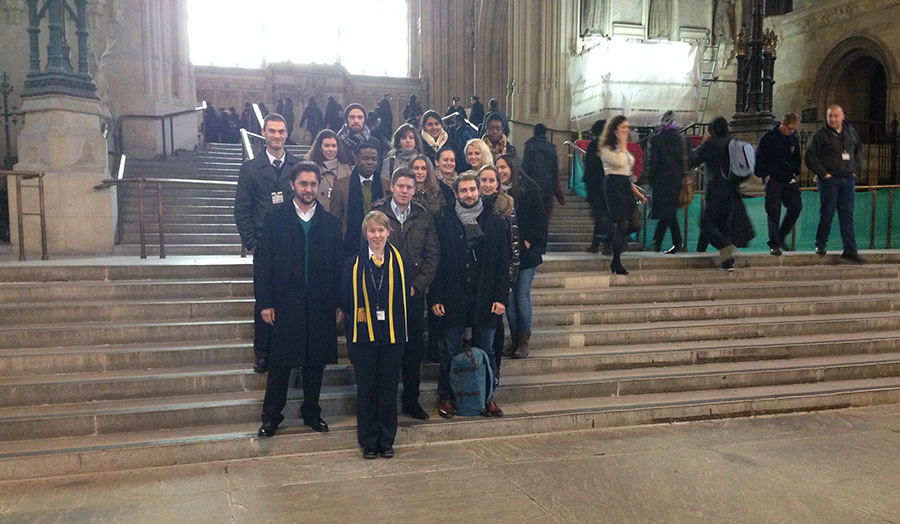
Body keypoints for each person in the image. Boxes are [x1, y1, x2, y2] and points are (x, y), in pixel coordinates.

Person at [254, 161, 343, 438]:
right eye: (303, 183)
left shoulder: (330, 224)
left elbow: (338, 268)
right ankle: (271, 416)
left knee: (315, 362)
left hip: (319, 303)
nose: (308, 189)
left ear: (319, 186)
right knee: (280, 363)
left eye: (313, 184)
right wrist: (265, 302)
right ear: (292, 185)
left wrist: (340, 303)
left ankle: (311, 411)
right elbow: (263, 263)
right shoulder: (275, 219)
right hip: (284, 302)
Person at [430, 172, 510, 419]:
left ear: (479, 191)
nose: (468, 194)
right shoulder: (444, 221)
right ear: (455, 193)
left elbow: (502, 263)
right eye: (463, 190)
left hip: (486, 297)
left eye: (472, 189)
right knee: (450, 349)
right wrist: (436, 297)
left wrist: (501, 298)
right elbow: (437, 263)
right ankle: (447, 397)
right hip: (454, 296)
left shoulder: (495, 221)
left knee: (488, 350)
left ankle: (488, 397)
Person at [234, 113, 302, 374]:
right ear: (263, 133)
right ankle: (263, 353)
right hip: (264, 245)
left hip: (294, 245)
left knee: (292, 299)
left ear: (287, 133)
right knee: (264, 300)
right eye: (272, 131)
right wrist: (252, 243)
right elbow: (242, 209)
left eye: (281, 131)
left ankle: (291, 350)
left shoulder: (297, 165)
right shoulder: (251, 168)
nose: (277, 135)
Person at [372, 170, 440, 422]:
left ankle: (412, 401)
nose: (404, 190)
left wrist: (416, 286)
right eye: (400, 185)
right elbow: (367, 249)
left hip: (411, 295)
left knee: (412, 350)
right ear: (391, 186)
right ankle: (382, 401)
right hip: (381, 295)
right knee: (385, 349)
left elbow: (432, 256)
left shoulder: (424, 216)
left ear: (414, 189)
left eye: (409, 187)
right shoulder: (378, 214)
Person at [341, 211, 409, 459]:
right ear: (365, 234)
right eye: (372, 231)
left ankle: (387, 439)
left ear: (389, 232)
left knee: (388, 388)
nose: (377, 235)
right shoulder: (353, 263)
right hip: (363, 334)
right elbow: (346, 298)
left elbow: (404, 301)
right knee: (367, 388)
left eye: (381, 230)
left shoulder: (401, 262)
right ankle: (368, 440)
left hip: (393, 335)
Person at [497, 153, 546, 359]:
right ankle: (514, 338)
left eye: (503, 167)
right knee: (508, 297)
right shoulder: (497, 191)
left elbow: (540, 220)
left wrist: (527, 242)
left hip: (526, 254)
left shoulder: (529, 187)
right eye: (497, 168)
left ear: (512, 167)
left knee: (522, 296)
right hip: (506, 254)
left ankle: (523, 342)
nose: (500, 171)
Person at [689, 116, 753, 270]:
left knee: (706, 225)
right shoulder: (733, 143)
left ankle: (727, 249)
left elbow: (693, 161)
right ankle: (727, 262)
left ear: (711, 130)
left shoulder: (710, 144)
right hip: (732, 192)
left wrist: (702, 141)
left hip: (715, 192)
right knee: (724, 227)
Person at [805, 105, 864, 263]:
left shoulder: (850, 132)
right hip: (830, 179)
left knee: (847, 214)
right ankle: (821, 243)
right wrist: (825, 174)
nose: (833, 119)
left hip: (847, 178)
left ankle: (850, 249)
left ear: (843, 116)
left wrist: (855, 168)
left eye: (836, 116)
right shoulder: (820, 135)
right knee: (827, 212)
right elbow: (810, 156)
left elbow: (857, 150)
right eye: (830, 116)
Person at [478, 165, 519, 379]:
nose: (487, 185)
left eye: (491, 180)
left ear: (497, 183)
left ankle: (493, 379)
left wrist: (508, 284)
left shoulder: (505, 206)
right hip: (478, 278)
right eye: (483, 180)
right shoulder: (472, 207)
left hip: (499, 278)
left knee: (496, 333)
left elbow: (513, 247)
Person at [600, 116, 647, 275]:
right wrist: (622, 142)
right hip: (613, 186)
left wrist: (638, 193)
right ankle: (616, 261)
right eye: (623, 128)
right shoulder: (607, 148)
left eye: (627, 127)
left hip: (625, 186)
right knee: (623, 224)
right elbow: (619, 163)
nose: (626, 131)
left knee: (635, 224)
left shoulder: (623, 149)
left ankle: (611, 239)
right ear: (615, 130)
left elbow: (626, 173)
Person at [331, 142, 392, 257]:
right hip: (350, 246)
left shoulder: (386, 186)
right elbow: (335, 220)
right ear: (356, 160)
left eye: (374, 159)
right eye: (365, 158)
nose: (370, 162)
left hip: (380, 245)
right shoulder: (341, 186)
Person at [756, 112, 802, 256]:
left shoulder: (793, 139)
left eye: (794, 129)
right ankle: (774, 244)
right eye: (790, 128)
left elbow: (796, 157)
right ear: (783, 125)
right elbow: (759, 159)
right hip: (773, 178)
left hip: (788, 177)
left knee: (796, 207)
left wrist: (795, 172)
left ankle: (781, 235)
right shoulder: (769, 138)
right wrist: (766, 176)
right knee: (774, 211)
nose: (792, 132)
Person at [646, 110, 685, 254]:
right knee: (669, 212)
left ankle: (675, 242)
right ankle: (658, 242)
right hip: (676, 180)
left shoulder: (655, 140)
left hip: (660, 181)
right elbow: (682, 161)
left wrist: (650, 179)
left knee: (667, 213)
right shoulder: (678, 139)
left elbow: (653, 162)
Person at [306, 128, 352, 214]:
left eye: (334, 146)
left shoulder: (347, 169)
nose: (331, 149)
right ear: (320, 147)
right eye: (326, 146)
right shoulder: (311, 168)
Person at [584, 119, 611, 254]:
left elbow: (589, 168)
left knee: (599, 216)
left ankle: (601, 243)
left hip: (596, 187)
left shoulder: (594, 146)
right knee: (605, 216)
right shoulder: (612, 146)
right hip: (610, 186)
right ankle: (601, 243)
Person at [522, 123, 558, 211]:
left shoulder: (529, 146)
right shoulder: (551, 148)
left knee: (531, 211)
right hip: (547, 185)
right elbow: (555, 170)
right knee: (544, 211)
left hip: (531, 184)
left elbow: (525, 166)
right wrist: (553, 186)